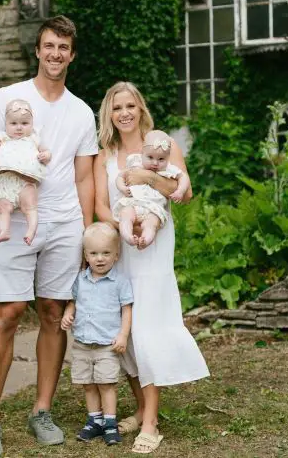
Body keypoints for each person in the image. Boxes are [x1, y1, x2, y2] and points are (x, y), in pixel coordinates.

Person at [0, 15, 98, 457]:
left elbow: (84, 179)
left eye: (63, 47)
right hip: (16, 220)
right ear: (38, 51)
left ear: (72, 55)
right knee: (8, 312)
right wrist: (11, 159)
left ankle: (41, 410)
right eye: (48, 46)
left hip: (62, 223)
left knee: (51, 312)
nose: (55, 54)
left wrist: (87, 231)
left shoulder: (81, 111)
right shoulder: (9, 97)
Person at [93, 81, 210, 454]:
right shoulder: (105, 155)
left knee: (146, 326)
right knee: (122, 329)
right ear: (109, 115)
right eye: (117, 108)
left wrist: (147, 178)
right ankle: (142, 406)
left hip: (154, 246)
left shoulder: (162, 144)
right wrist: (119, 231)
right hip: (120, 245)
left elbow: (185, 193)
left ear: (140, 108)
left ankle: (151, 422)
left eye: (130, 105)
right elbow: (99, 205)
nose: (124, 113)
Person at [60, 222, 133, 446]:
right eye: (94, 253)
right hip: (82, 343)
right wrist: (68, 313)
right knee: (88, 384)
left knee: (106, 383)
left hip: (106, 344)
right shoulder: (80, 280)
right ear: (86, 255)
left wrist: (123, 335)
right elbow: (74, 302)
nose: (100, 258)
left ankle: (110, 423)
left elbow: (127, 309)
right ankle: (95, 421)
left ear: (116, 255)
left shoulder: (119, 281)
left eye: (106, 253)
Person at [0, 99, 52, 245]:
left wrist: (45, 156)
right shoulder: (2, 137)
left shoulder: (33, 138)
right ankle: (4, 231)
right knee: (3, 209)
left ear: (31, 124)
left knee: (30, 207)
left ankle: (31, 230)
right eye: (13, 123)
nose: (19, 128)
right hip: (6, 183)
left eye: (24, 124)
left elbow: (47, 151)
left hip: (27, 182)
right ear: (6, 124)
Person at [113, 129, 190, 248]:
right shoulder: (136, 162)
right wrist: (122, 187)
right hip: (133, 202)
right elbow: (120, 176)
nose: (155, 163)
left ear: (167, 158)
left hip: (154, 208)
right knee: (125, 216)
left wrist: (180, 191)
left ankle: (145, 240)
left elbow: (184, 178)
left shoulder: (168, 169)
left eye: (161, 159)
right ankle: (128, 236)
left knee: (151, 224)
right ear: (142, 152)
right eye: (150, 157)